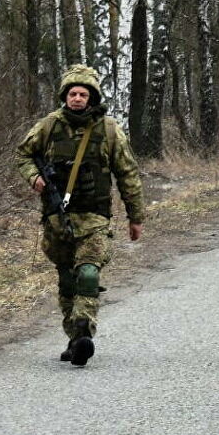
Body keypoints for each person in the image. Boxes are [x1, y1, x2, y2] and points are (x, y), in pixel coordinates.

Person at [17, 66, 147, 369]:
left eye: (83, 94)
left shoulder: (109, 130)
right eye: (73, 93)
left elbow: (128, 174)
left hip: (94, 218)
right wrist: (34, 177)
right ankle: (74, 338)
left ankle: (84, 332)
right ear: (65, 96)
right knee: (67, 280)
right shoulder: (48, 126)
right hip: (57, 219)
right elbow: (23, 154)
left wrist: (135, 216)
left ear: (92, 98)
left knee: (87, 274)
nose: (77, 98)